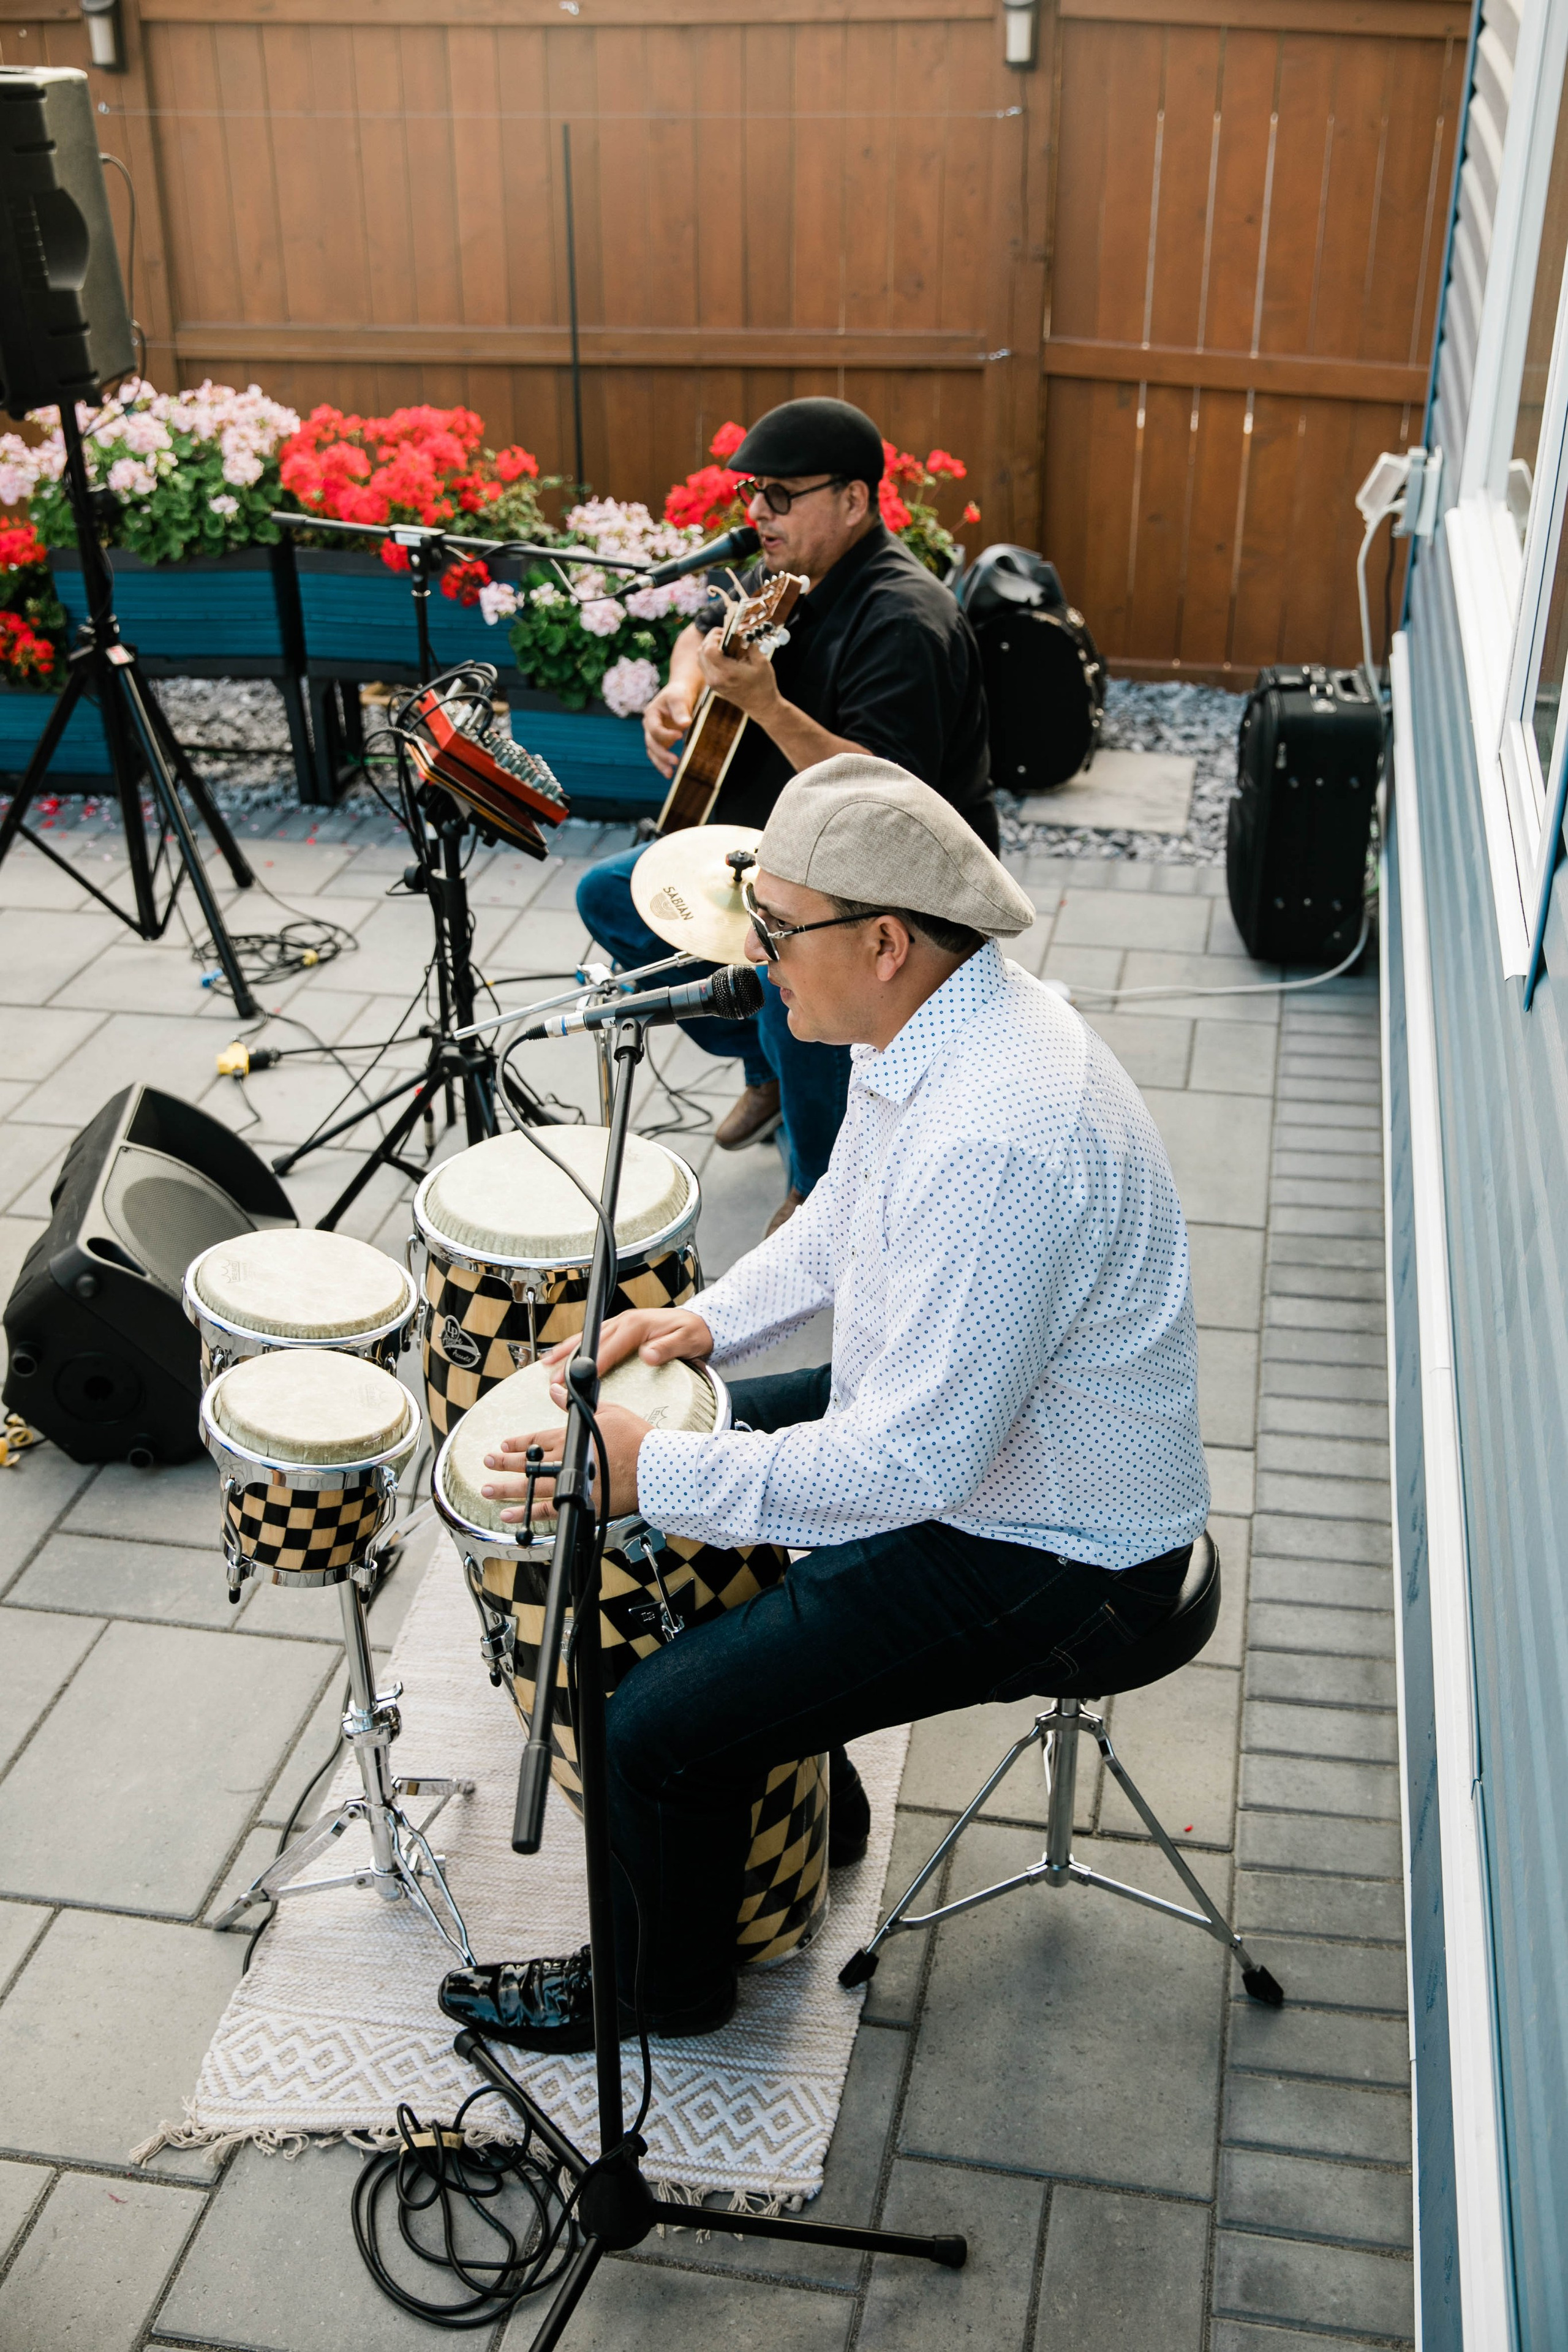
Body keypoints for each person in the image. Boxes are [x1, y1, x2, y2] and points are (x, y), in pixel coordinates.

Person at [440, 756, 1210, 2053]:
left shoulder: (997, 1135)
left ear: (887, 940)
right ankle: (817, 1785)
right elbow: (843, 1218)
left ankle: (658, 1990)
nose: (752, 956)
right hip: (987, 1453)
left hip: (1062, 1547)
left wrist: (658, 1469)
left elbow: (913, 1468)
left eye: (778, 930)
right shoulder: (932, 1023)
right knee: (698, 1464)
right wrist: (703, 1325)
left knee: (655, 1728)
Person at [576, 396, 993, 1236]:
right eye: (751, 495)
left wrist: (764, 705)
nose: (757, 512)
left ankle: (821, 1195)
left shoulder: (903, 619)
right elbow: (700, 634)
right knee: (612, 901)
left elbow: (883, 803)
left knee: (779, 968)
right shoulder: (788, 579)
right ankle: (767, 1075)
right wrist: (681, 688)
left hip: (895, 879)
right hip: (777, 847)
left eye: (779, 494)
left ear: (853, 500)